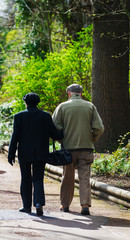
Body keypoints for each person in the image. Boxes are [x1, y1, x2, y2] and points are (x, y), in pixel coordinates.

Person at [8, 93, 63, 216]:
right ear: (38, 103)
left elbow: (15, 137)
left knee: (25, 179)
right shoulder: (45, 116)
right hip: (41, 152)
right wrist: (62, 134)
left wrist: (11, 154)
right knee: (38, 178)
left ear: (26, 103)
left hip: (24, 153)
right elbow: (54, 134)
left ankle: (26, 206)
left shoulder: (19, 116)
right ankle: (38, 203)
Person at [52, 84, 104, 215]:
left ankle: (65, 205)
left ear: (69, 93)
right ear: (81, 93)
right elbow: (99, 128)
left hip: (68, 149)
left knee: (67, 177)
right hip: (86, 148)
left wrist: (61, 140)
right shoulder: (90, 106)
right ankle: (85, 205)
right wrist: (92, 139)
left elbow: (55, 127)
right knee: (84, 178)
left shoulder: (62, 107)